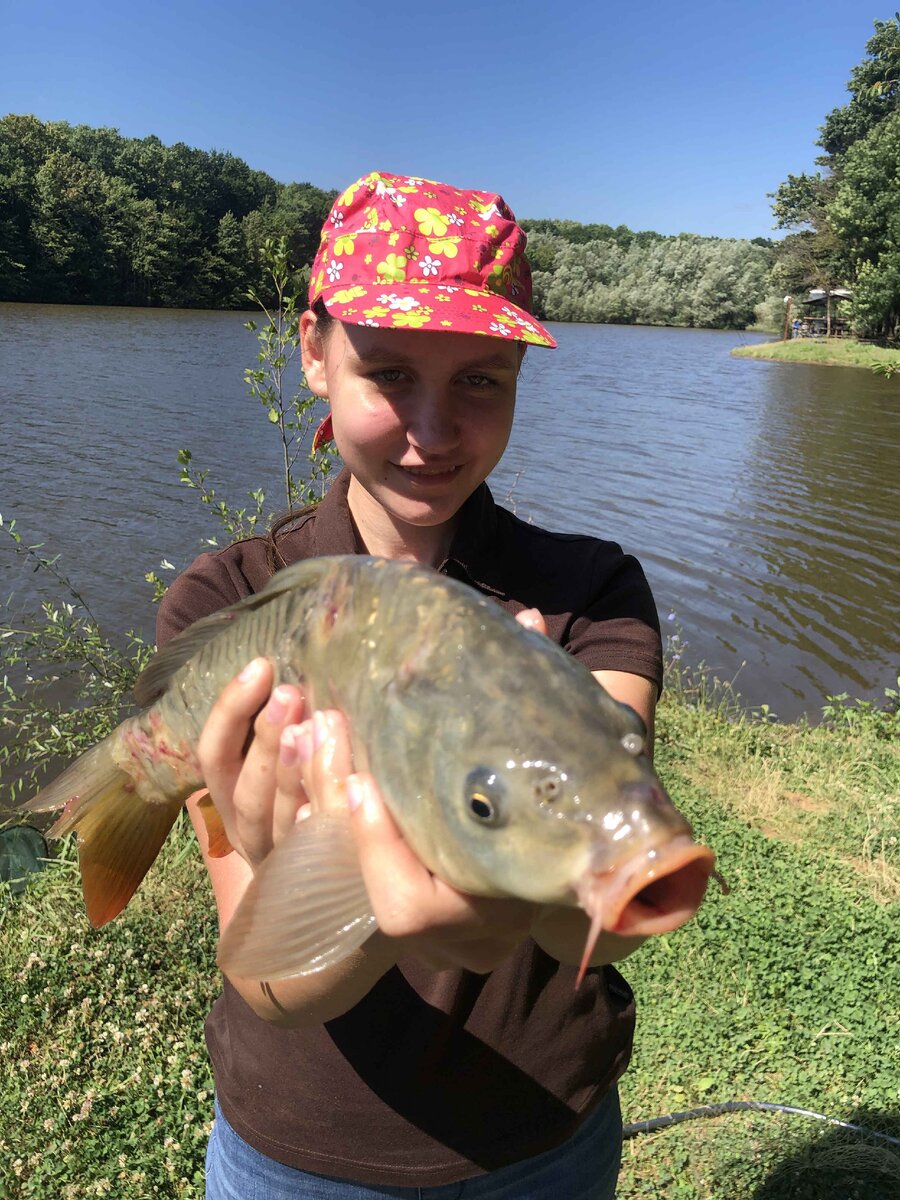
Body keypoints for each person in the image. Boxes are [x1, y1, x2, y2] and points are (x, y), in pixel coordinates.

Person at [157, 170, 663, 1199]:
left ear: (520, 370)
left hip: (542, 1138)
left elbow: (594, 918)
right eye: (388, 374)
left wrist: (532, 899)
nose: (433, 434)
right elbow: (269, 987)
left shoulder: (593, 593)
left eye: (480, 380)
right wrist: (373, 917)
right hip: (299, 1155)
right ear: (313, 354)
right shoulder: (230, 609)